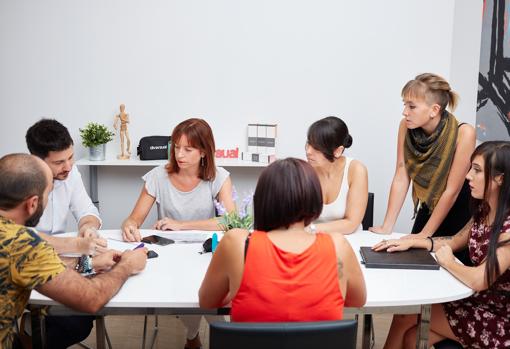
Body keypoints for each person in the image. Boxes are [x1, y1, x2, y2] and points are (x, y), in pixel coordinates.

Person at [0, 153, 148, 349]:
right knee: (76, 320)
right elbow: (91, 298)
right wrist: (127, 265)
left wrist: (90, 263)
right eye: (48, 194)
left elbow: (37, 266)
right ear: (32, 203)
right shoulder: (22, 244)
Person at [372, 141, 510, 349]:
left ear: (500, 178)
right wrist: (413, 242)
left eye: (477, 170)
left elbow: (479, 280)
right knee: (411, 337)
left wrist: (448, 263)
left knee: (405, 316)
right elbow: (454, 241)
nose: (468, 176)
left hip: (499, 321)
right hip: (478, 303)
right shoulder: (484, 211)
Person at [199, 158, 366, 321]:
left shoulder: (236, 243)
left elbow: (207, 302)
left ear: (262, 200)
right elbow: (357, 301)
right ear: (315, 199)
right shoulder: (338, 246)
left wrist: (237, 290)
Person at [122, 118, 235, 349]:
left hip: (205, 253)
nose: (179, 154)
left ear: (203, 151)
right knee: (192, 293)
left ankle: (193, 337)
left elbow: (230, 222)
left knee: (199, 289)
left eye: (188, 149)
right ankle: (210, 336)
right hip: (168, 254)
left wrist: (182, 225)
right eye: (175, 146)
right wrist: (129, 225)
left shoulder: (219, 177)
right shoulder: (157, 176)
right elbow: (135, 218)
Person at [369, 73, 476, 263]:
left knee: (452, 270)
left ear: (434, 110)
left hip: (459, 208)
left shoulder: (464, 133)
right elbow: (402, 173)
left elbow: (452, 190)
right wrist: (387, 225)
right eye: (404, 104)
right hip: (430, 202)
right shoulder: (406, 126)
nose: (404, 112)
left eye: (411, 106)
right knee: (413, 261)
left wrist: (425, 235)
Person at [26, 118, 106, 253]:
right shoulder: (17, 179)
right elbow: (20, 237)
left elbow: (86, 210)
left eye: (70, 157)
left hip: (60, 252)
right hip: (30, 256)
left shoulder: (71, 172)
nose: (68, 167)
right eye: (59, 162)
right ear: (36, 159)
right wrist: (75, 245)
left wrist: (88, 227)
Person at [305, 116, 368, 234]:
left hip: (350, 241)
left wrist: (310, 229)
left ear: (338, 151)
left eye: (316, 148)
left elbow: (351, 224)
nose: (308, 151)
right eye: (308, 144)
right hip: (313, 241)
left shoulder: (356, 170)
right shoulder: (304, 171)